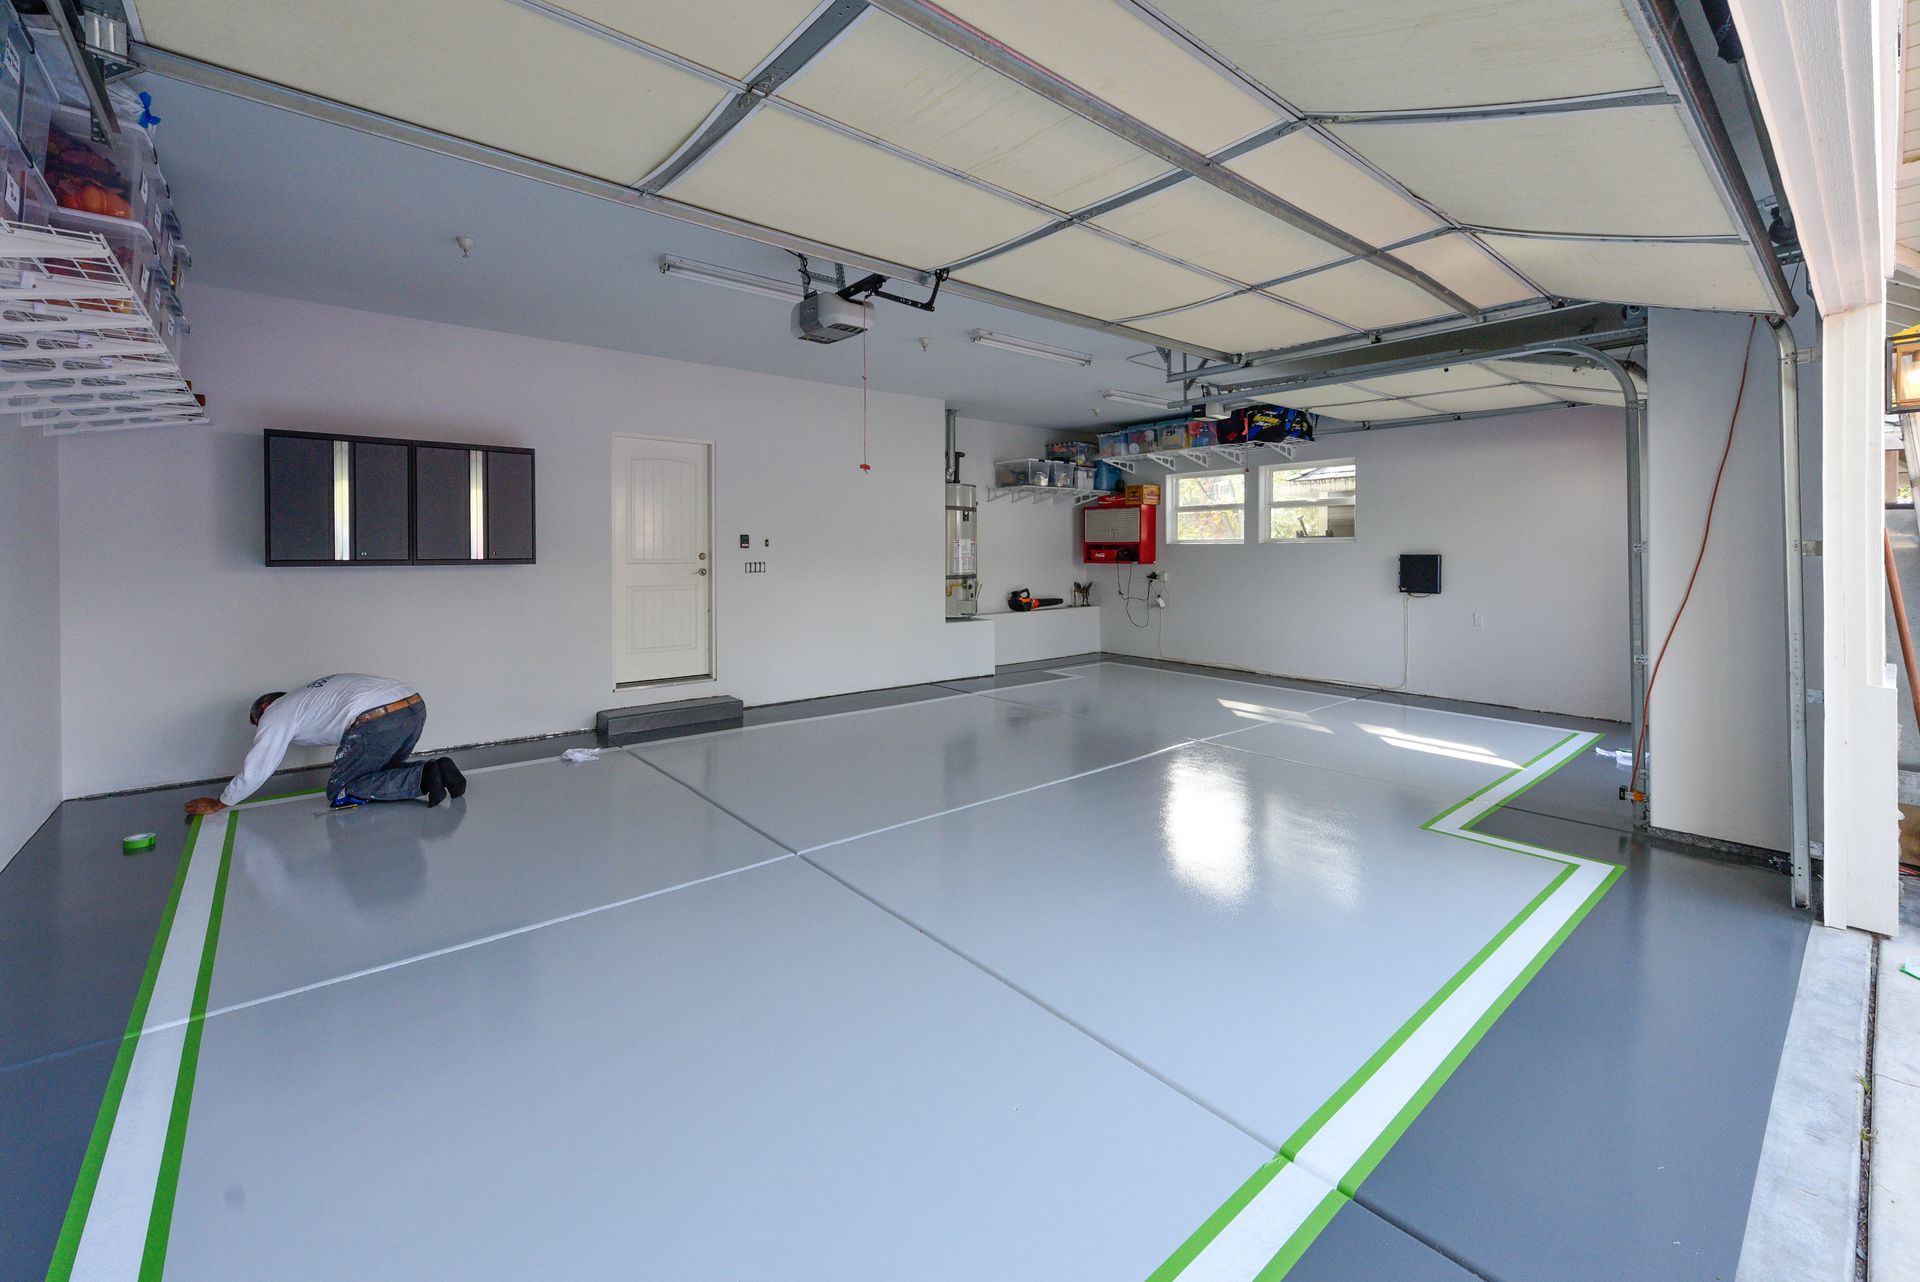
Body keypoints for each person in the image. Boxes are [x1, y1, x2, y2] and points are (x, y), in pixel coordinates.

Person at [182, 674, 466, 816]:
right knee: (381, 771)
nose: (261, 727)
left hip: (376, 716)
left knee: (341, 790)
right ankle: (438, 768)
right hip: (413, 704)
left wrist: (222, 802)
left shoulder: (278, 710)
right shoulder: (309, 697)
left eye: (257, 721)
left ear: (265, 706)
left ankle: (422, 777)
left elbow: (260, 764)